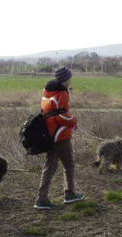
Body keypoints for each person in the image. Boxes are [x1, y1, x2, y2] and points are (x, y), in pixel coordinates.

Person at [34, 66, 85, 210]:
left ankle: (41, 198)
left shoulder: (48, 93)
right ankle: (70, 194)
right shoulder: (62, 94)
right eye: (70, 77)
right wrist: (74, 120)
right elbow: (61, 116)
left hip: (50, 135)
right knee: (69, 164)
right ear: (66, 79)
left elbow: (52, 113)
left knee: (49, 166)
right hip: (60, 135)